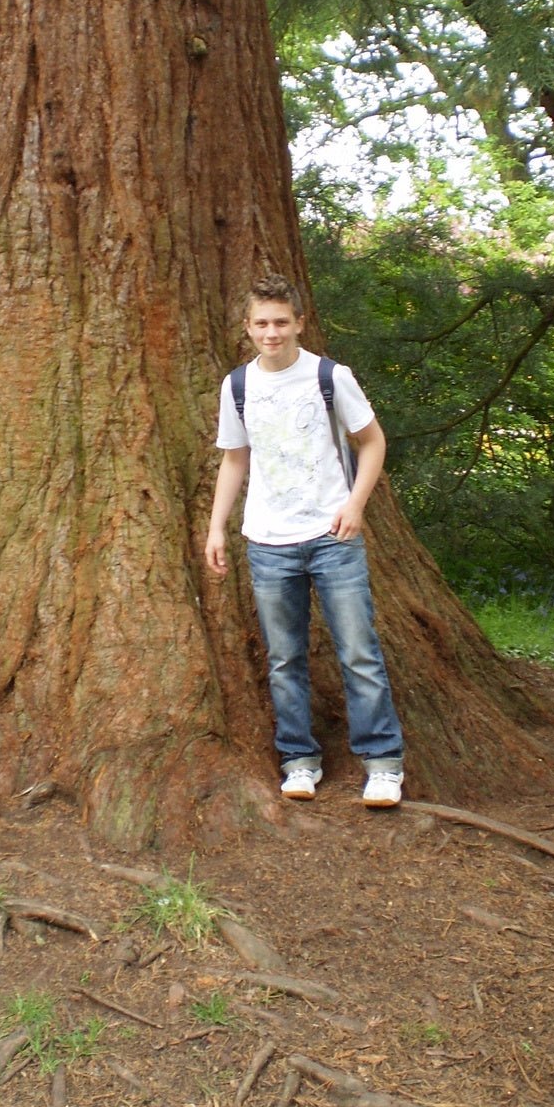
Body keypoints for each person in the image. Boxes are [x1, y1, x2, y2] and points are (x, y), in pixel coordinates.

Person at [204, 273, 405, 807]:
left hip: (332, 536)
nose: (272, 333)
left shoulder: (328, 376)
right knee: (284, 658)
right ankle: (299, 759)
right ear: (248, 328)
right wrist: (216, 526)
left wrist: (355, 505)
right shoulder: (238, 386)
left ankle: (383, 763)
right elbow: (235, 457)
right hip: (268, 541)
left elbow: (372, 441)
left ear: (299, 323)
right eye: (262, 324)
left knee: (359, 651)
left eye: (281, 323)